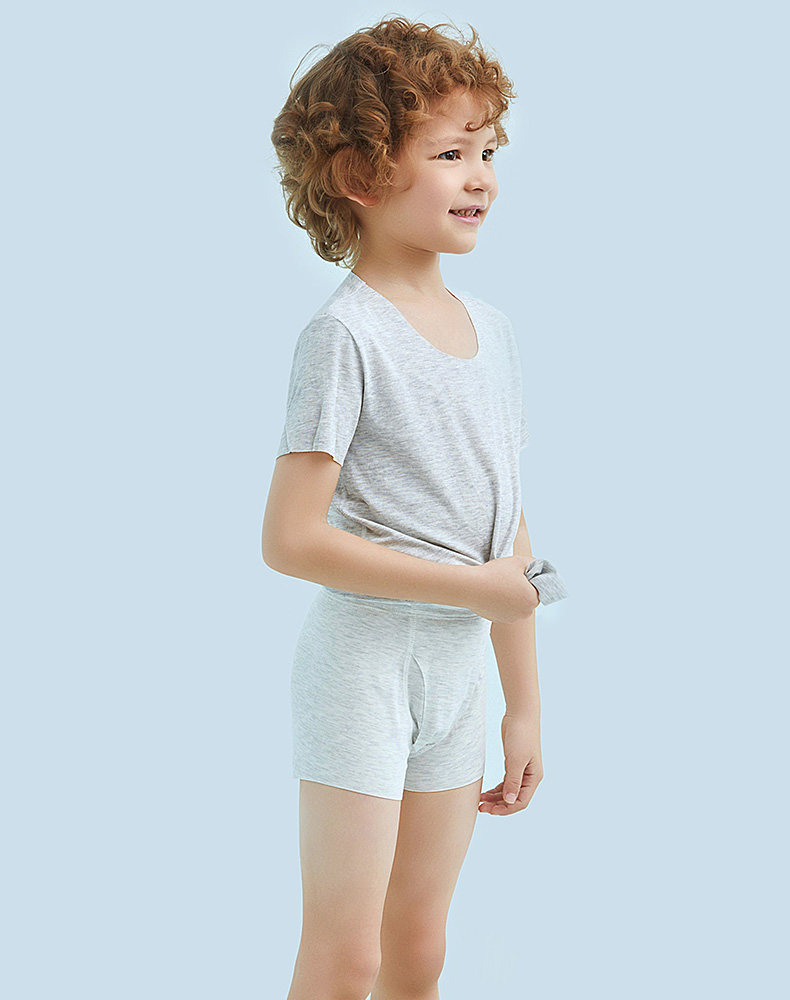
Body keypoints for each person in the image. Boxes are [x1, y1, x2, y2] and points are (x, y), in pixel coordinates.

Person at [261, 16, 566, 1000]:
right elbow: (290, 539)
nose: (480, 178)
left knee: (421, 949)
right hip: (364, 665)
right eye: (449, 154)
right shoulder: (344, 337)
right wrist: (472, 589)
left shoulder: (494, 331)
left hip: (458, 676)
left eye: (487, 152)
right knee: (346, 955)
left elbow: (506, 533)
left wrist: (524, 704)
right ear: (360, 175)